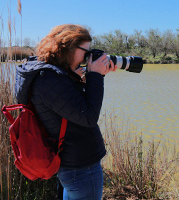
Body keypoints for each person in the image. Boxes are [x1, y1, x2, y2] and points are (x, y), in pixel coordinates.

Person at [15, 24, 117, 199]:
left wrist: (81, 78)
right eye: (85, 51)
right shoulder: (49, 79)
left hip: (73, 164)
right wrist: (95, 77)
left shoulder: (51, 73)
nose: (87, 56)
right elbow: (88, 116)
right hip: (81, 167)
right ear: (68, 47)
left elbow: (70, 107)